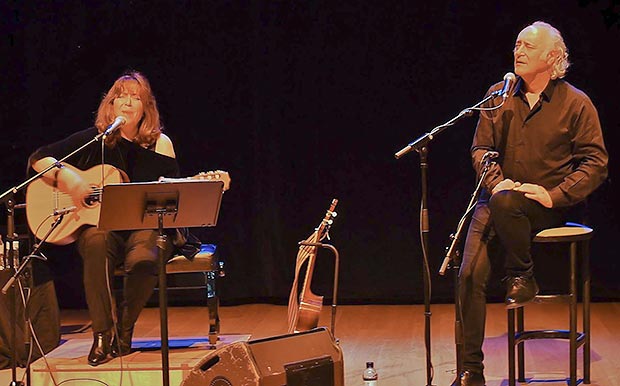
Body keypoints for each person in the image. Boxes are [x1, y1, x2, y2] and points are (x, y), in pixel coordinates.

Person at [453, 21, 608, 386]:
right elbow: (480, 149)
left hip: (544, 205)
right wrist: (496, 181)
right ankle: (470, 371)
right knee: (469, 275)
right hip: (498, 198)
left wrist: (554, 194)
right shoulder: (498, 95)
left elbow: (596, 163)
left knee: (510, 204)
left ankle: (521, 274)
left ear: (552, 57)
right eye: (516, 45)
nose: (517, 51)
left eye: (527, 46)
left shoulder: (576, 102)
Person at [29, 71, 181, 366]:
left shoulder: (160, 144)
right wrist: (70, 179)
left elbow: (171, 196)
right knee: (96, 241)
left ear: (146, 107)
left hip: (144, 227)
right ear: (109, 105)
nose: (127, 103)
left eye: (135, 97)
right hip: (103, 227)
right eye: (120, 96)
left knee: (144, 259)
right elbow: (39, 157)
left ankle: (124, 329)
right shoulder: (96, 140)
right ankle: (102, 333)